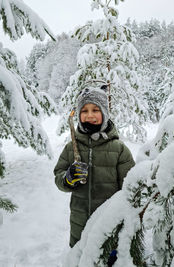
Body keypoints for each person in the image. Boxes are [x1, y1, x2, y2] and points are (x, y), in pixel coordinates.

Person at [54, 85, 135, 248]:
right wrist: (67, 179)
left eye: (95, 110)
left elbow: (131, 188)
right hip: (79, 225)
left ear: (104, 113)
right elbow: (59, 176)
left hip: (109, 225)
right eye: (84, 111)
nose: (89, 115)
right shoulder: (71, 148)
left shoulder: (119, 149)